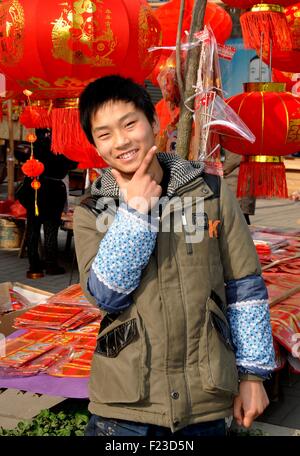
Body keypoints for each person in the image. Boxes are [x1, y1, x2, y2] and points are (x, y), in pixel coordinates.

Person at [73, 75, 275, 437]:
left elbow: (244, 287)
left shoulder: (209, 192)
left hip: (205, 398)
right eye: (104, 134)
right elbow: (106, 295)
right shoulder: (93, 208)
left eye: (129, 124)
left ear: (153, 123)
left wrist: (252, 375)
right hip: (124, 408)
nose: (121, 141)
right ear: (96, 146)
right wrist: (136, 211)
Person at [16, 128, 78, 278]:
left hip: (35, 190)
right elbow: (72, 164)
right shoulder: (60, 147)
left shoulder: (33, 146)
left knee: (33, 228)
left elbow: (19, 154)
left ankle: (34, 266)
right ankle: (51, 264)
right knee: (50, 229)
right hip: (53, 191)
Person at [222, 148, 256, 225]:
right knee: (242, 220)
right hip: (242, 181)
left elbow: (234, 158)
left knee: (237, 220)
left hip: (238, 183)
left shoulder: (237, 139)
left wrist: (221, 170)